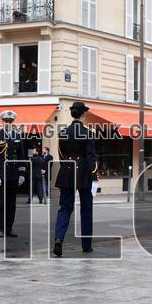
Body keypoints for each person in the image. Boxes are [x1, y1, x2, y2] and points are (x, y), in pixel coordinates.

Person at [54, 101, 98, 256]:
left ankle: (58, 239)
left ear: (72, 114)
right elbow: (91, 158)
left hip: (66, 171)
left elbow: (60, 155)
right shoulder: (88, 133)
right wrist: (94, 178)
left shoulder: (63, 133)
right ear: (83, 114)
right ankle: (86, 245)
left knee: (65, 208)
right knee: (86, 210)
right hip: (84, 174)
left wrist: (66, 168)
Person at [0, 110, 26, 238]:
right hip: (1, 175)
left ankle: (9, 228)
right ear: (2, 122)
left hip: (13, 174)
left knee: (11, 204)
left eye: (10, 121)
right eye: (6, 121)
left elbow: (21, 156)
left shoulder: (17, 136)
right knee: (1, 203)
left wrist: (21, 173)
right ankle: (0, 229)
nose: (8, 123)